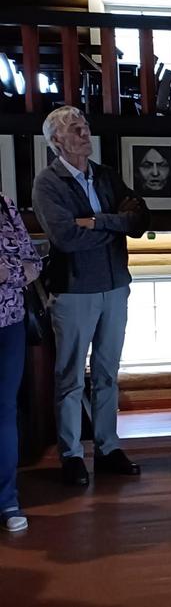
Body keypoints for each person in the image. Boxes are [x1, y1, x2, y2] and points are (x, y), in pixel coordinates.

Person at [32, 106, 150, 487]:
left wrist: (98, 222)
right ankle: (70, 454)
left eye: (85, 126)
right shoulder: (47, 184)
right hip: (74, 291)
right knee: (70, 377)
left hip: (114, 287)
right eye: (75, 129)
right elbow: (66, 238)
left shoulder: (106, 176)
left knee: (107, 373)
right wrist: (114, 228)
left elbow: (138, 220)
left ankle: (107, 447)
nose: (85, 134)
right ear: (56, 141)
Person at [0, 193, 42, 532]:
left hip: (9, 323)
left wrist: (7, 271)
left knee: (5, 411)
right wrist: (14, 271)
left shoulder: (4, 204)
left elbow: (33, 265)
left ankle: (7, 500)